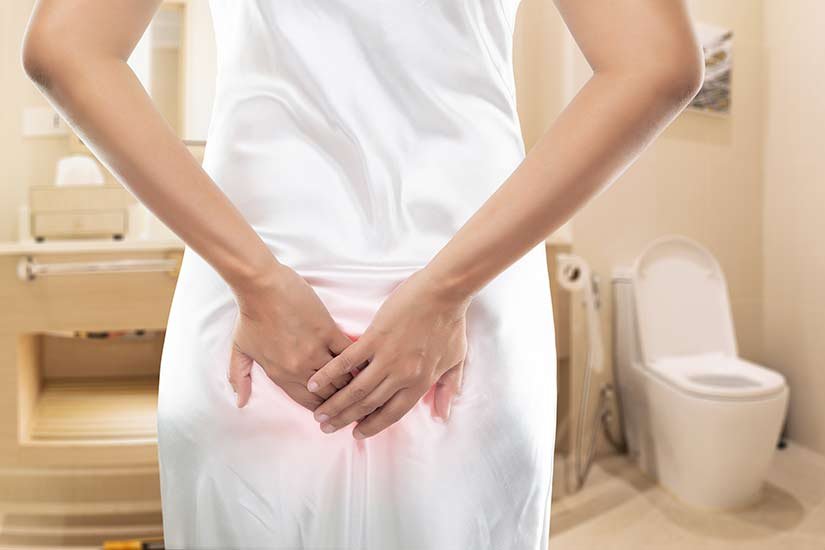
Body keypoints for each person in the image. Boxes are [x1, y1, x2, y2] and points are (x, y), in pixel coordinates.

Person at [21, 1, 704, 548]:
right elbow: (655, 61)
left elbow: (67, 47)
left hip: (259, 304)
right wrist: (445, 291)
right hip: (463, 303)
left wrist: (255, 280)